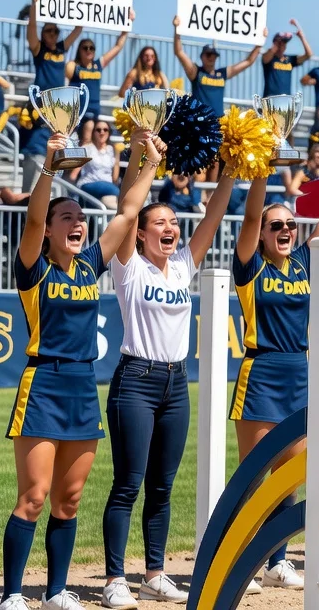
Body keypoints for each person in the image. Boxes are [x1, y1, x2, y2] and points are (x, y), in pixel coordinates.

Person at [3, 130, 161, 610]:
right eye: (66, 218)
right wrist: (49, 168)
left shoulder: (90, 264)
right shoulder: (34, 267)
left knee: (68, 501)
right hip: (42, 383)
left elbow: (129, 213)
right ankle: (12, 594)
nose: (77, 224)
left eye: (79, 218)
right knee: (33, 496)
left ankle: (54, 591)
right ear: (49, 231)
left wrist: (147, 160)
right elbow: (32, 217)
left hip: (81, 386)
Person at [100, 163, 235, 609]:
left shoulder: (181, 266)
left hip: (176, 385)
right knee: (128, 484)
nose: (171, 228)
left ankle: (154, 574)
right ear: (139, 233)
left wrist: (230, 172)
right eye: (160, 223)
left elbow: (213, 217)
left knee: (162, 486)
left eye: (174, 222)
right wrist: (145, 164)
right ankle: (115, 578)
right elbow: (127, 207)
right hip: (135, 382)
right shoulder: (128, 267)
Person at [230, 154, 319, 591]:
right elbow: (249, 214)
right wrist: (261, 167)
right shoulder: (250, 266)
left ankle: (277, 561)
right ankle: (241, 561)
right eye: (275, 226)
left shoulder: (302, 261)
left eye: (289, 225)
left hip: (297, 372)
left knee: (290, 474)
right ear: (261, 234)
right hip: (260, 370)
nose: (285, 231)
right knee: (253, 475)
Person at [23, 0, 85, 191]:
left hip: (59, 105)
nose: (53, 34)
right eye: (49, 31)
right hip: (41, 102)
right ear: (43, 33)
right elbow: (31, 30)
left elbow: (78, 29)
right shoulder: (39, 49)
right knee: (37, 142)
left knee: (58, 140)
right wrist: (34, 5)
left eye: (56, 31)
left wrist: (83, 7)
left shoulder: (60, 49)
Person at [172, 17, 265, 121]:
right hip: (199, 120)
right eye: (208, 54)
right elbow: (179, 52)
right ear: (201, 56)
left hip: (218, 122)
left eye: (214, 55)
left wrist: (261, 41)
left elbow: (248, 61)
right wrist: (177, 29)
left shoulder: (222, 74)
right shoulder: (197, 72)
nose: (211, 57)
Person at [66, 27, 132, 140]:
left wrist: (125, 30)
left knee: (88, 136)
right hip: (76, 110)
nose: (88, 50)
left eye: (91, 48)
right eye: (85, 48)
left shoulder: (98, 65)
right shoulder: (74, 66)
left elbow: (117, 47)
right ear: (79, 50)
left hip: (92, 109)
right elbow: (65, 80)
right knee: (72, 140)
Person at [69, 119, 120, 209]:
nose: (102, 132)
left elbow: (115, 178)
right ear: (93, 132)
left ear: (109, 132)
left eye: (105, 130)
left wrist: (117, 156)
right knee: (115, 191)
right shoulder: (86, 148)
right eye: (98, 130)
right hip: (89, 184)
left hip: (107, 187)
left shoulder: (112, 150)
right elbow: (73, 175)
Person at [261, 21, 312, 98]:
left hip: (285, 100)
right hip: (270, 99)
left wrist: (302, 37)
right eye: (281, 42)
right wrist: (275, 46)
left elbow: (308, 55)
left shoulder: (289, 60)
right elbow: (265, 59)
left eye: (285, 43)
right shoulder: (269, 57)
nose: (283, 45)